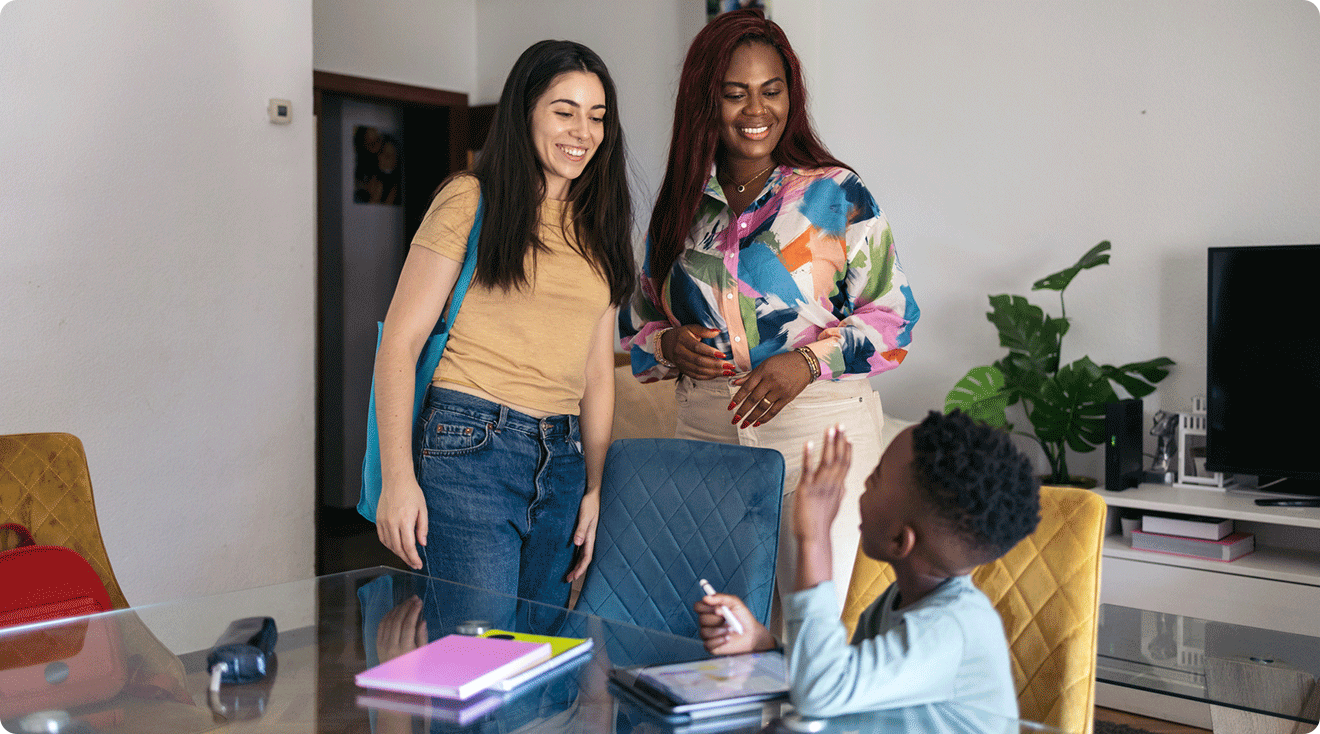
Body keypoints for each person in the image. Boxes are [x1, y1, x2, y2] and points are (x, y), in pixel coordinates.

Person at [619, 8, 920, 618]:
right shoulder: (681, 207)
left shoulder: (834, 194)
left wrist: (806, 362)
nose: (755, 110)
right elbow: (636, 328)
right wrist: (668, 346)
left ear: (792, 96)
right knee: (720, 632)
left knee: (808, 631)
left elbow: (894, 319)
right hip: (707, 437)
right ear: (706, 101)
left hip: (816, 436)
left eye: (771, 91)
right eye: (734, 94)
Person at [372, 40, 634, 632]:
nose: (583, 131)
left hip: (562, 463)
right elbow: (400, 342)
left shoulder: (603, 224)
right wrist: (397, 480)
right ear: (525, 113)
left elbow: (596, 373)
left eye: (597, 117)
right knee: (478, 665)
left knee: (531, 664)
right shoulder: (469, 199)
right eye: (564, 111)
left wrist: (595, 488)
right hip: (470, 448)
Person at [694, 410, 1040, 719]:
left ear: (899, 541)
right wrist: (762, 645)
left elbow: (821, 692)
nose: (860, 489)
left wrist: (814, 539)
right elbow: (840, 682)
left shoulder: (950, 629)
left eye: (874, 480)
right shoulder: (897, 601)